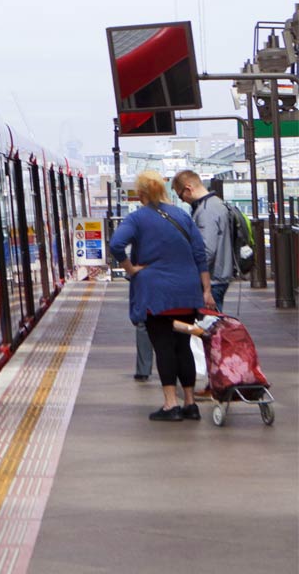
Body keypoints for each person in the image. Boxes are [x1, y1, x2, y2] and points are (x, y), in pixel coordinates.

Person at [109, 170, 214, 422]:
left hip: (157, 295)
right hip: (188, 293)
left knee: (164, 346)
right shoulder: (182, 215)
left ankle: (170, 404)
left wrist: (131, 269)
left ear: (141, 193)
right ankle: (190, 403)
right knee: (184, 345)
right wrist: (206, 289)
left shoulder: (137, 219)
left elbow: (115, 245)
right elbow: (199, 253)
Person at [172, 170, 234, 312]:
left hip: (212, 279)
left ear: (188, 189)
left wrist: (192, 275)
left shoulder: (206, 210)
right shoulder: (217, 203)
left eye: (180, 195)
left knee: (208, 326)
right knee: (211, 324)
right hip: (220, 275)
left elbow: (206, 250)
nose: (182, 200)